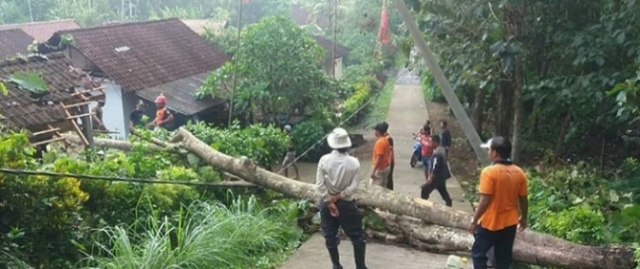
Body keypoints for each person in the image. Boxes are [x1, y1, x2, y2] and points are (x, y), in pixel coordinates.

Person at [469, 136, 528, 269]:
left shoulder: (489, 172)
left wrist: (474, 221)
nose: (489, 152)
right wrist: (523, 217)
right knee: (503, 257)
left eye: (489, 150)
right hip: (510, 222)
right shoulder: (519, 172)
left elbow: (485, 200)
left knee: (478, 253)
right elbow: (523, 199)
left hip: (490, 222)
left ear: (495, 152)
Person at [316, 127, 369, 269]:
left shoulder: (324, 160)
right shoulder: (354, 163)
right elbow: (354, 186)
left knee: (330, 236)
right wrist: (338, 197)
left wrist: (329, 201)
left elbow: (320, 186)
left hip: (326, 205)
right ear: (347, 144)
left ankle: (336, 265)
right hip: (346, 204)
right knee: (357, 236)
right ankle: (360, 266)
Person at [420, 135, 453, 207]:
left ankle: (423, 206)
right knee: (443, 191)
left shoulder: (437, 153)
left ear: (435, 142)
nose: (429, 143)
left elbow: (436, 166)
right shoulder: (442, 149)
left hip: (436, 177)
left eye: (431, 142)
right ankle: (449, 203)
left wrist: (431, 177)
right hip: (442, 176)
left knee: (424, 189)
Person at [371, 122, 391, 187]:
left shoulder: (380, 143)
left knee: (375, 188)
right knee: (383, 186)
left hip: (380, 169)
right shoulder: (385, 140)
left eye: (376, 130)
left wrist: (373, 171)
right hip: (385, 166)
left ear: (378, 132)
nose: (375, 132)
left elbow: (379, 158)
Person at [381, 122, 395, 190]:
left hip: (389, 161)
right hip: (386, 161)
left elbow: (390, 151)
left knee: (389, 179)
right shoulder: (383, 137)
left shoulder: (388, 138)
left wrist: (389, 162)